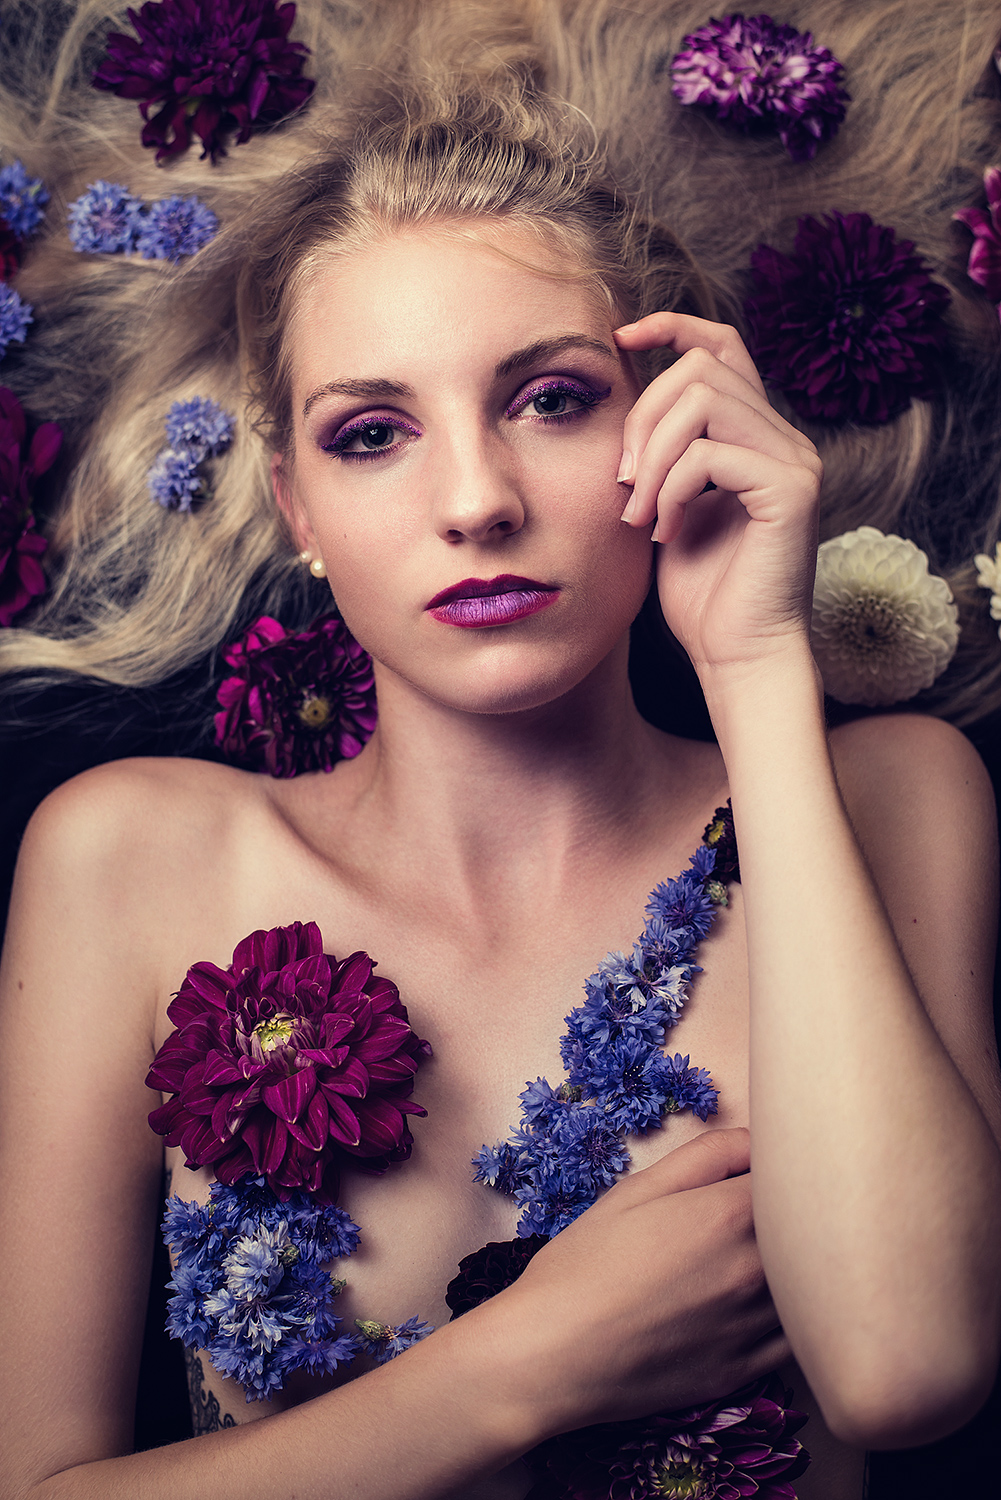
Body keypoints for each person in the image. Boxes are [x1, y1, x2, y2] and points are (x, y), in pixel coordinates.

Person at [1, 3, 1000, 1498]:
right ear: (296, 507)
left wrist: (755, 660)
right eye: (372, 432)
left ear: (670, 432)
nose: (475, 500)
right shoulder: (131, 857)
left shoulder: (891, 795)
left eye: (550, 400)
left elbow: (904, 1369)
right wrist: (527, 1364)